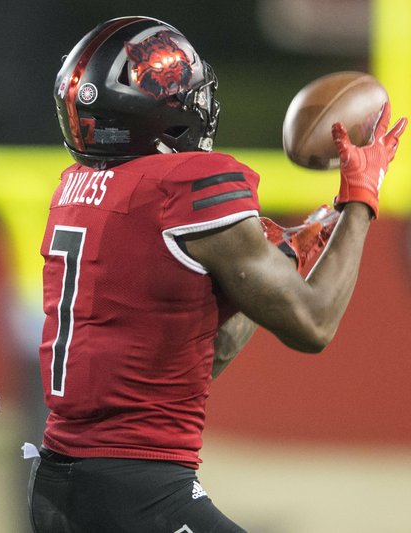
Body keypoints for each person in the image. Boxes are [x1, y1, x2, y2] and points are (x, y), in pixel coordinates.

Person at [28, 16, 406, 533]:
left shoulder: (76, 192)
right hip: (139, 492)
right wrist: (361, 195)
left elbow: (201, 356)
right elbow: (314, 324)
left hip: (60, 483)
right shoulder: (187, 183)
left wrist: (284, 258)